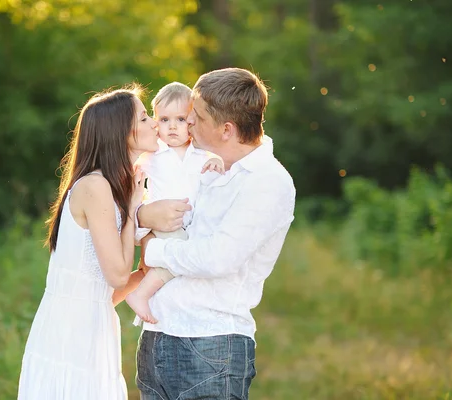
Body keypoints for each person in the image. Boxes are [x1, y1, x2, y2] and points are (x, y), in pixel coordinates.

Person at [134, 68, 296, 400]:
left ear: (226, 129)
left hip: (210, 346)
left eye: (198, 115)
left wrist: (150, 249)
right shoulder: (207, 167)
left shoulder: (266, 181)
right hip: (157, 335)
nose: (188, 121)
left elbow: (216, 258)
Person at [17, 86, 159, 400]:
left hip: (91, 326)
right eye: (146, 118)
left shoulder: (106, 186)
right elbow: (117, 276)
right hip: (70, 336)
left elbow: (102, 293)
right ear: (120, 132)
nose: (156, 124)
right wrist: (135, 208)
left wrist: (146, 273)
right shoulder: (95, 186)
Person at [126, 82, 223, 325]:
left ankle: (147, 295)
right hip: (162, 224)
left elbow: (213, 181)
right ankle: (140, 294)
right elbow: (130, 171)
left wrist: (217, 163)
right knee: (182, 256)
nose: (172, 127)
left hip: (186, 225)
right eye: (165, 119)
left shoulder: (202, 153)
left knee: (185, 258)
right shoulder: (153, 154)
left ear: (192, 120)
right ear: (156, 121)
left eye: (180, 119)